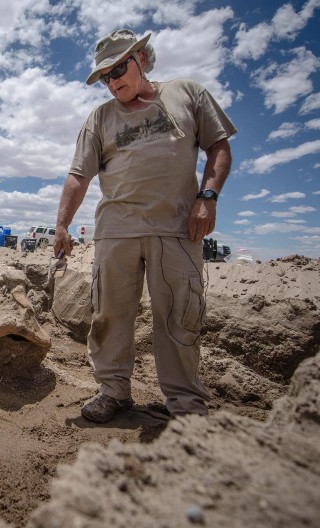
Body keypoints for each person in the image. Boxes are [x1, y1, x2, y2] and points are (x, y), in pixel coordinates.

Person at [53, 29, 236, 423]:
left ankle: (186, 405)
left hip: (176, 229)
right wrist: (62, 225)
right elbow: (77, 176)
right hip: (116, 231)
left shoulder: (188, 94)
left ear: (141, 58)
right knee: (109, 316)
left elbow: (219, 146)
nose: (112, 79)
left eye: (118, 67)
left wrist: (208, 198)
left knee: (179, 316)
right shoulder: (100, 118)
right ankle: (114, 391)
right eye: (105, 75)